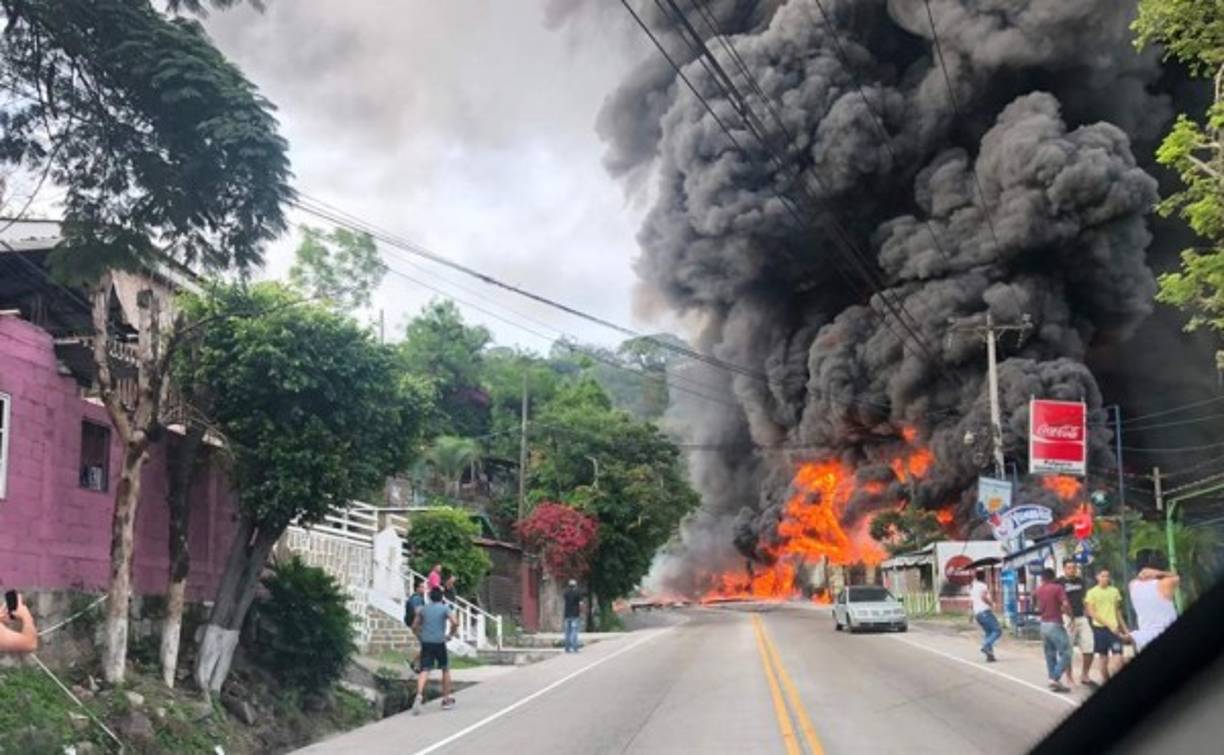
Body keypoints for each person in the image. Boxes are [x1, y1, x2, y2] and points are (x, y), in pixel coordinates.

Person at [411, 587, 459, 713]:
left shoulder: (423, 609)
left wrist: (420, 636)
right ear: (442, 597)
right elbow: (455, 622)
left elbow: (414, 626)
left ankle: (419, 696)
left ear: (430, 597)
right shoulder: (444, 608)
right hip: (439, 642)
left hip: (426, 642)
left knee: (424, 670)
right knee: (445, 669)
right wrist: (450, 635)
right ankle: (446, 699)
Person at [1084, 568, 1130, 682]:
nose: (1105, 578)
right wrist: (1109, 625)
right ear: (1097, 577)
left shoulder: (1114, 591)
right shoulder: (1091, 593)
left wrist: (1125, 630)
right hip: (1100, 630)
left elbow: (1117, 612)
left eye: (1107, 576)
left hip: (1114, 630)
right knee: (1103, 658)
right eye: (1103, 576)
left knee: (1118, 657)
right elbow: (1092, 613)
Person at [1033, 567, 1073, 693]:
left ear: (1042, 578)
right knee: (1067, 652)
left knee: (1050, 654)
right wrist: (1071, 616)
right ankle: (1055, 678)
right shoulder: (1057, 588)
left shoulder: (1038, 590)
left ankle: (1053, 679)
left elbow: (1035, 604)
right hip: (1054, 623)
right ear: (1053, 577)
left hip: (1043, 624)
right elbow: (1065, 604)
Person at [1129, 556, 1179, 651]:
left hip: (1144, 635)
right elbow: (1176, 577)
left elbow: (1137, 579)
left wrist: (1143, 574)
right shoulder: (1164, 584)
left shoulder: (1132, 585)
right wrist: (1159, 573)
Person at [1057, 560, 1094, 687]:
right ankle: (1069, 677)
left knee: (1089, 647)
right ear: (1064, 569)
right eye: (1069, 568)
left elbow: (1085, 599)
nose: (1072, 570)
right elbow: (1058, 602)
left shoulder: (1081, 581)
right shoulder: (1059, 583)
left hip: (1081, 618)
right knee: (1068, 650)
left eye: (1074, 567)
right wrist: (1067, 615)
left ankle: (1084, 674)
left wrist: (1089, 613)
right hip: (1067, 618)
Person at [969, 570, 1001, 663]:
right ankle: (985, 645)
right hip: (985, 612)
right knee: (997, 630)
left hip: (977, 614)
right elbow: (983, 597)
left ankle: (990, 656)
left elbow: (971, 603)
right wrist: (992, 604)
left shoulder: (973, 587)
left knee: (988, 632)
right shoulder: (983, 585)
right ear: (984, 577)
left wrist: (971, 615)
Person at [405, 580, 427, 673]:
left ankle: (416, 664)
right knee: (427, 646)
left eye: (424, 587)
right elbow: (417, 612)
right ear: (417, 588)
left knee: (426, 646)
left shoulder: (416, 598)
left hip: (417, 625)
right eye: (422, 587)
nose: (424, 589)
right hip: (417, 625)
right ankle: (418, 665)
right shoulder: (416, 598)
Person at [563, 579, 584, 653]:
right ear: (575, 585)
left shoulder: (565, 593)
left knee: (567, 632)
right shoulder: (578, 593)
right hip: (575, 615)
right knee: (574, 631)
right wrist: (581, 611)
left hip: (567, 615)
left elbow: (565, 600)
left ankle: (567, 648)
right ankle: (575, 647)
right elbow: (581, 604)